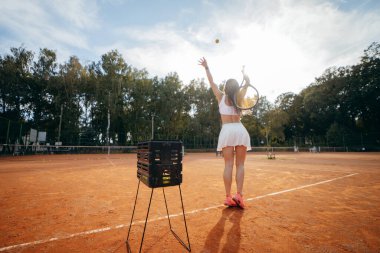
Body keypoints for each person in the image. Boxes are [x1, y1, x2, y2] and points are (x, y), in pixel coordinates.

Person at [198, 57, 251, 208]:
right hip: (240, 129)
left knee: (228, 165)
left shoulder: (221, 96)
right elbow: (247, 82)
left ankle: (228, 197)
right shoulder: (239, 97)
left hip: (227, 131)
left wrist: (207, 67)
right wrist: (244, 74)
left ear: (226, 87)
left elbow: (212, 82)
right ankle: (239, 195)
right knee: (240, 165)